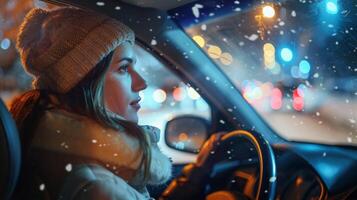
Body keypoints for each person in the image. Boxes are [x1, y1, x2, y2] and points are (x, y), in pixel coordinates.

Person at [10, 7, 173, 200]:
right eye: (123, 69)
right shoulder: (96, 186)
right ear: (86, 82)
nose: (141, 83)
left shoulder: (55, 155)